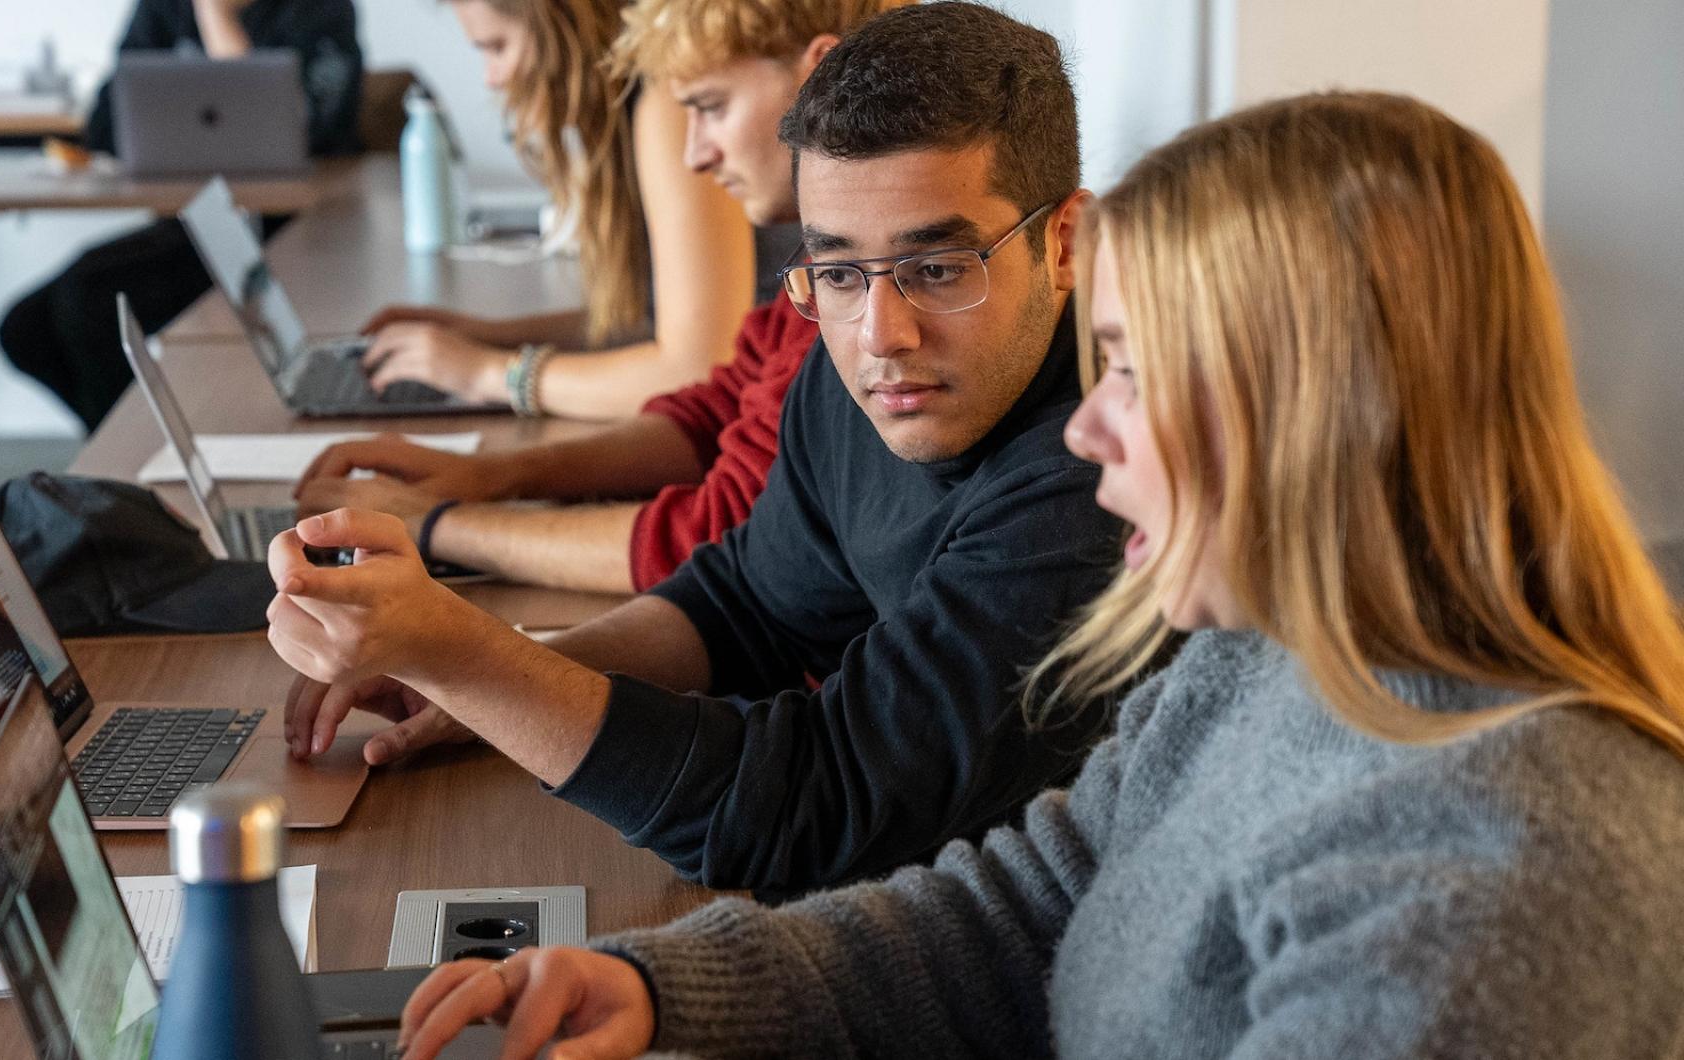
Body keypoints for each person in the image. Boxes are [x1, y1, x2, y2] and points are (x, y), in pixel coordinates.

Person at [390, 89, 1684, 1060]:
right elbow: (1028, 907)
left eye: (1125, 368)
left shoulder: (1482, 881)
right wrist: (670, 989)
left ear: (1311, 408)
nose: (1085, 426)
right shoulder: (1266, 656)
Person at [265, 3, 1120, 897]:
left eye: (938, 269)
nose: (881, 334)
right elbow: (743, 604)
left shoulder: (1098, 478)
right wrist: (495, 680)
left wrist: (468, 659)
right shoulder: (849, 377)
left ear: (1062, 243)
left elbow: (808, 811)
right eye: (835, 271)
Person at [291, 0, 910, 595]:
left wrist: (435, 524)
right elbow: (717, 408)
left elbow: (723, 536)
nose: (694, 154)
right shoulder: (820, 268)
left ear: (819, 74)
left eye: (712, 107)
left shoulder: (860, 296)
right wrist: (490, 477)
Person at [351, 0, 785, 421]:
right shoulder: (636, 109)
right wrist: (482, 338)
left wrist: (485, 373)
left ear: (558, 25)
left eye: (497, 46)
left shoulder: (667, 105)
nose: (492, 78)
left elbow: (692, 371)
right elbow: (652, 320)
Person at [0, 0, 362, 430]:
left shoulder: (321, 11)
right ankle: (138, 440)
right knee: (25, 328)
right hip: (195, 221)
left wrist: (218, 19)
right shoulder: (162, 9)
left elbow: (297, 133)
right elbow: (105, 126)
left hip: (294, 230)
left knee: (87, 302)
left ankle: (133, 453)